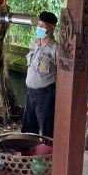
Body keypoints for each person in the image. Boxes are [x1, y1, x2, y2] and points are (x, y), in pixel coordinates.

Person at [22, 11, 58, 139]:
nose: (39, 28)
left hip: (45, 94)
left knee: (47, 129)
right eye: (39, 25)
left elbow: (61, 73)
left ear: (52, 28)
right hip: (30, 92)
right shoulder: (35, 43)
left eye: (43, 26)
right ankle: (28, 155)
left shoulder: (55, 49)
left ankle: (48, 156)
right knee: (28, 129)